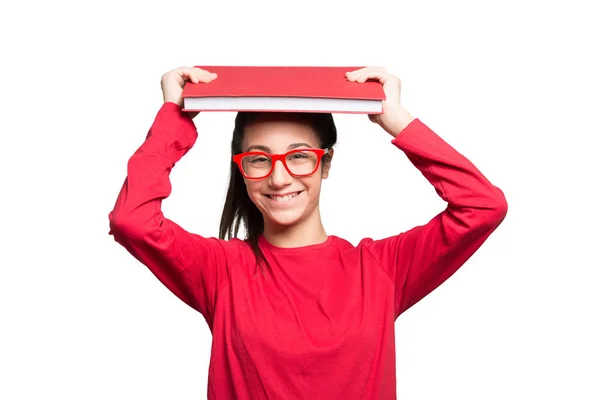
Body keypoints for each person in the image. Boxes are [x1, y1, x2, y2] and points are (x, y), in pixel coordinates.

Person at [108, 66, 508, 399]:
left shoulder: (382, 270)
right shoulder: (221, 271)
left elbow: (482, 206)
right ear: (241, 169)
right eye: (259, 159)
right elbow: (132, 220)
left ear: (326, 163)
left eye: (299, 156)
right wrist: (174, 116)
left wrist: (396, 118)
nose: (280, 178)